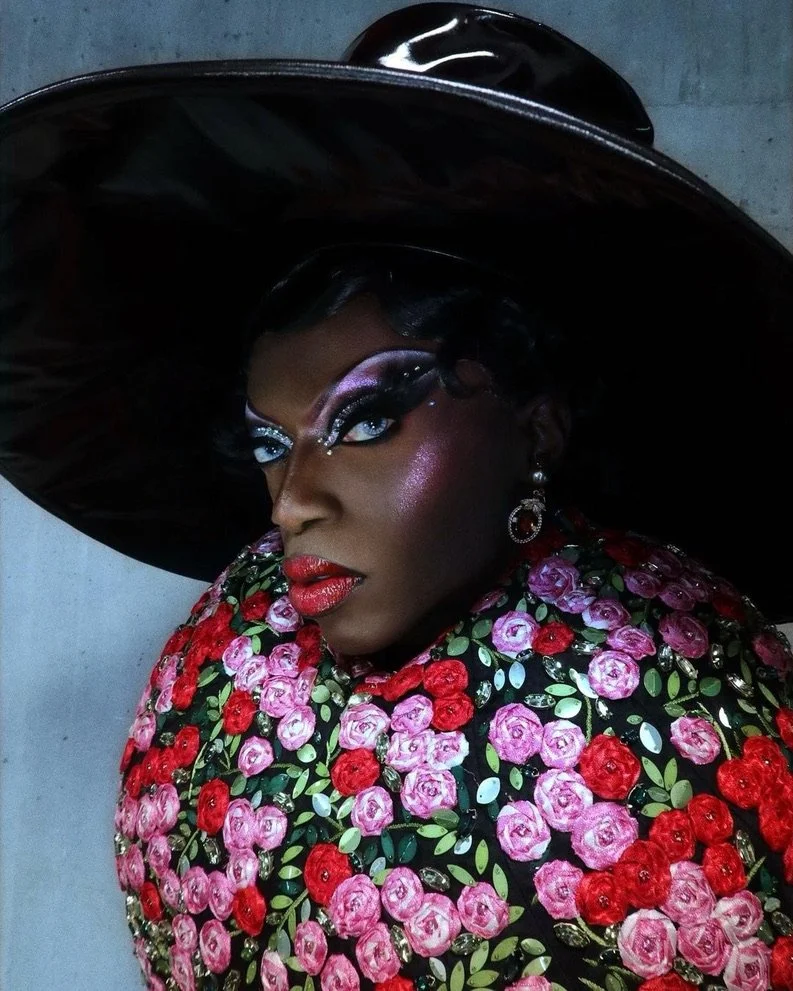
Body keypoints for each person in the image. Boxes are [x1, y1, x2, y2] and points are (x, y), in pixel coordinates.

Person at [2, 5, 793, 991]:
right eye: (267, 440)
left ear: (536, 420)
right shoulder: (232, 649)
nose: (292, 503)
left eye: (367, 420)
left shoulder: (683, 706)